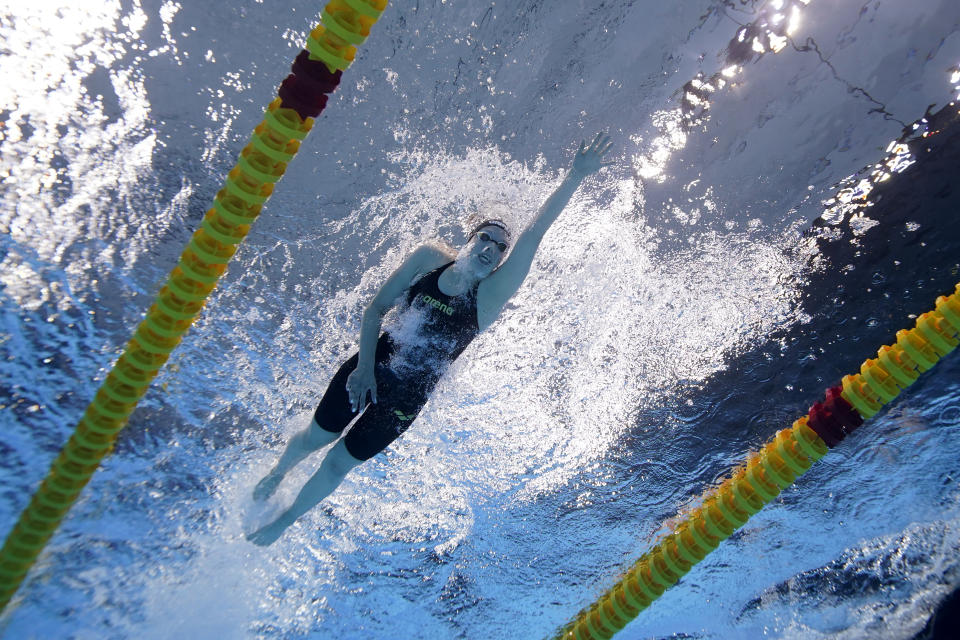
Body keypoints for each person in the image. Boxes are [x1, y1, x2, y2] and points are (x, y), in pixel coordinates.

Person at [247, 133, 613, 545]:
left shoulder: (488, 298)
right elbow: (374, 310)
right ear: (469, 241)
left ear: (502, 261)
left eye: (500, 247)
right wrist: (365, 369)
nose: (491, 249)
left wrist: (576, 176)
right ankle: (279, 472)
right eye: (485, 238)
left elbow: (534, 233)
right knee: (319, 437)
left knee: (336, 465)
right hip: (370, 365)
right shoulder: (428, 259)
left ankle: (284, 521)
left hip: (404, 402)